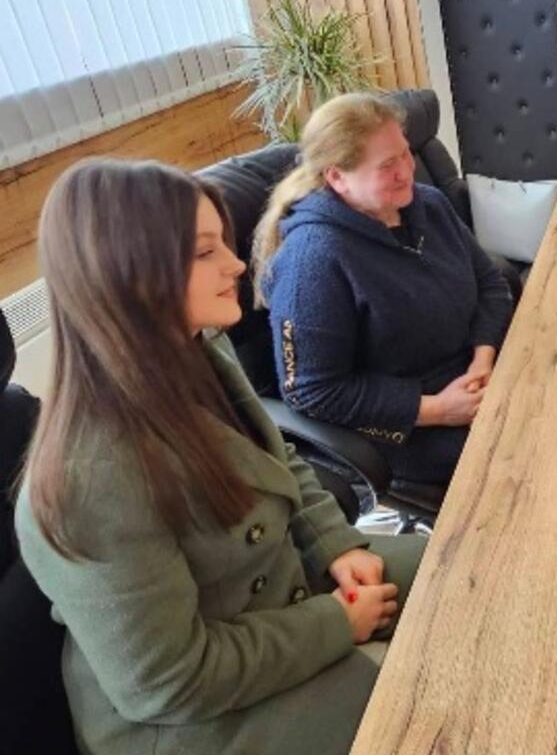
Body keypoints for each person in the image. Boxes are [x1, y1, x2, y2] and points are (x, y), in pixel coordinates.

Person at [15, 159, 427, 754]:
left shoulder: (198, 347)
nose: (236, 264)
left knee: (456, 575)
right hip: (196, 718)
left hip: (278, 595)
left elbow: (278, 459)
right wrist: (336, 624)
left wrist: (335, 545)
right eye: (205, 252)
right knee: (429, 706)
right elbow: (169, 682)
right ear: (130, 275)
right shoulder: (91, 480)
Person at [254, 93, 513, 492]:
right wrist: (438, 410)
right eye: (387, 165)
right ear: (337, 177)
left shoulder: (429, 205)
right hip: (406, 426)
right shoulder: (314, 260)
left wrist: (483, 359)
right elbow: (312, 392)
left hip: (477, 377)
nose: (406, 171)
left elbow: (490, 283)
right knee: (531, 451)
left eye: (406, 154)